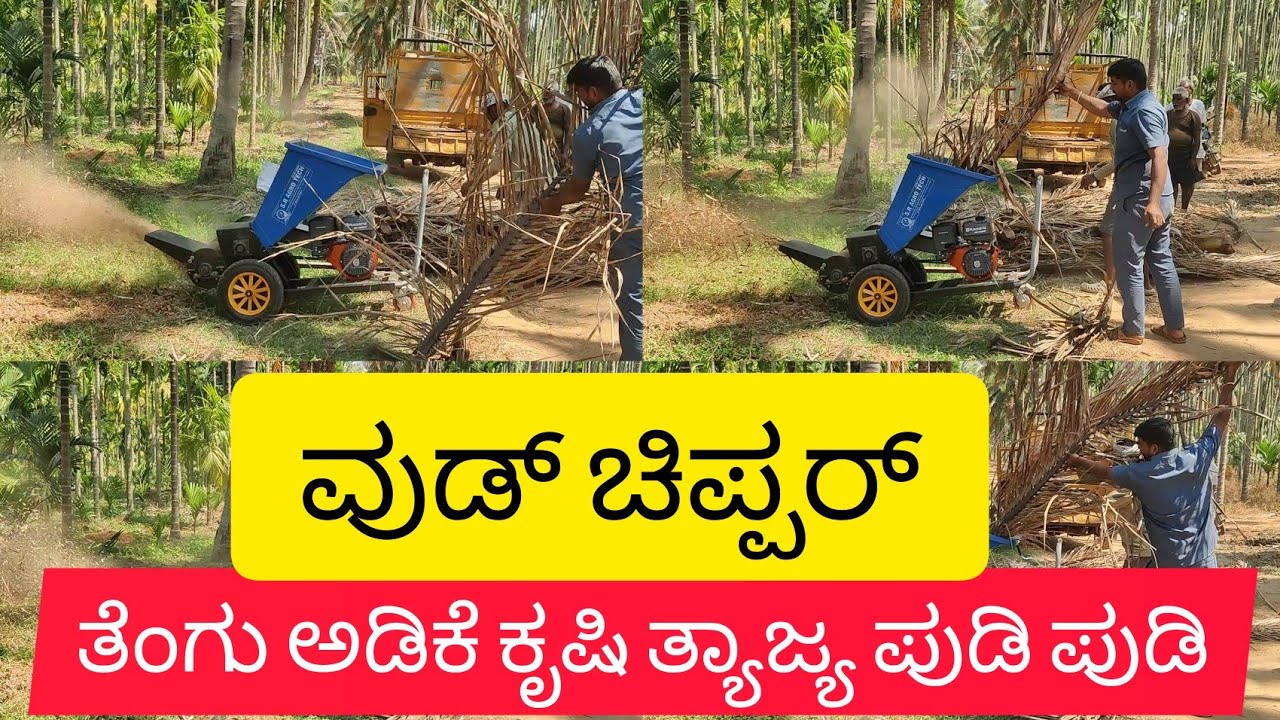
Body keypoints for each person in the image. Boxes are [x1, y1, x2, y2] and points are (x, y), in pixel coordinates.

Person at [1057, 58, 1186, 346]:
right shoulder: (1132, 105)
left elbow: (1160, 155)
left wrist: (1152, 203)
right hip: (1154, 197)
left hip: (1142, 200)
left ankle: (1132, 330)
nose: (1112, 89)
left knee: (1130, 263)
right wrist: (1069, 90)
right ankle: (1174, 329)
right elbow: (1103, 109)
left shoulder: (1144, 112)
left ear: (1130, 84)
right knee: (1162, 261)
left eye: (1115, 84)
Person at [1065, 362, 1242, 568]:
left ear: (1155, 448)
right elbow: (1221, 418)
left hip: (1169, 564)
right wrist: (1231, 373)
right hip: (1204, 562)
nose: (1138, 448)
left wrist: (1075, 460)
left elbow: (1104, 472)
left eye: (1140, 444)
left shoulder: (1141, 474)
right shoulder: (1196, 457)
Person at [539, 56, 643, 362]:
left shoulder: (591, 131)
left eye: (579, 92)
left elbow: (577, 188)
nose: (579, 100)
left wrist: (551, 204)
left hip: (632, 213)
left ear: (593, 93)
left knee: (633, 297)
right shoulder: (640, 98)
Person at [462, 92, 544, 208]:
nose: (487, 118)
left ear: (495, 109)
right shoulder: (519, 117)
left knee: (522, 220)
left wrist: (474, 182)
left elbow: (501, 160)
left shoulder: (501, 123)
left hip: (527, 184)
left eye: (487, 113)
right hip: (545, 177)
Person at [1166, 87, 1204, 210]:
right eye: (1173, 99)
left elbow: (1197, 138)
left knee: (1187, 184)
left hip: (1186, 156)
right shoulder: (1167, 115)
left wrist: (1193, 158)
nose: (1175, 102)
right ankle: (1173, 209)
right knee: (1171, 185)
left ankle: (1184, 209)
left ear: (1187, 100)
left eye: (1179, 99)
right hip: (1170, 156)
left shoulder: (1193, 116)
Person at [1167, 78, 1209, 174]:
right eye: (1180, 87)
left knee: (1189, 184)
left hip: (1190, 154)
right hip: (1172, 155)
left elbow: (1200, 129)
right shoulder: (1168, 110)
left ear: (1191, 90)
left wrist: (1193, 157)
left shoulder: (1198, 106)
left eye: (1186, 88)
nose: (1176, 102)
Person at [542, 81, 575, 163]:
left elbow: (568, 132)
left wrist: (565, 152)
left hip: (557, 151)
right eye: (544, 91)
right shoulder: (537, 108)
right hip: (540, 149)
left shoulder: (564, 109)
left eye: (549, 91)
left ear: (556, 93)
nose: (546, 93)